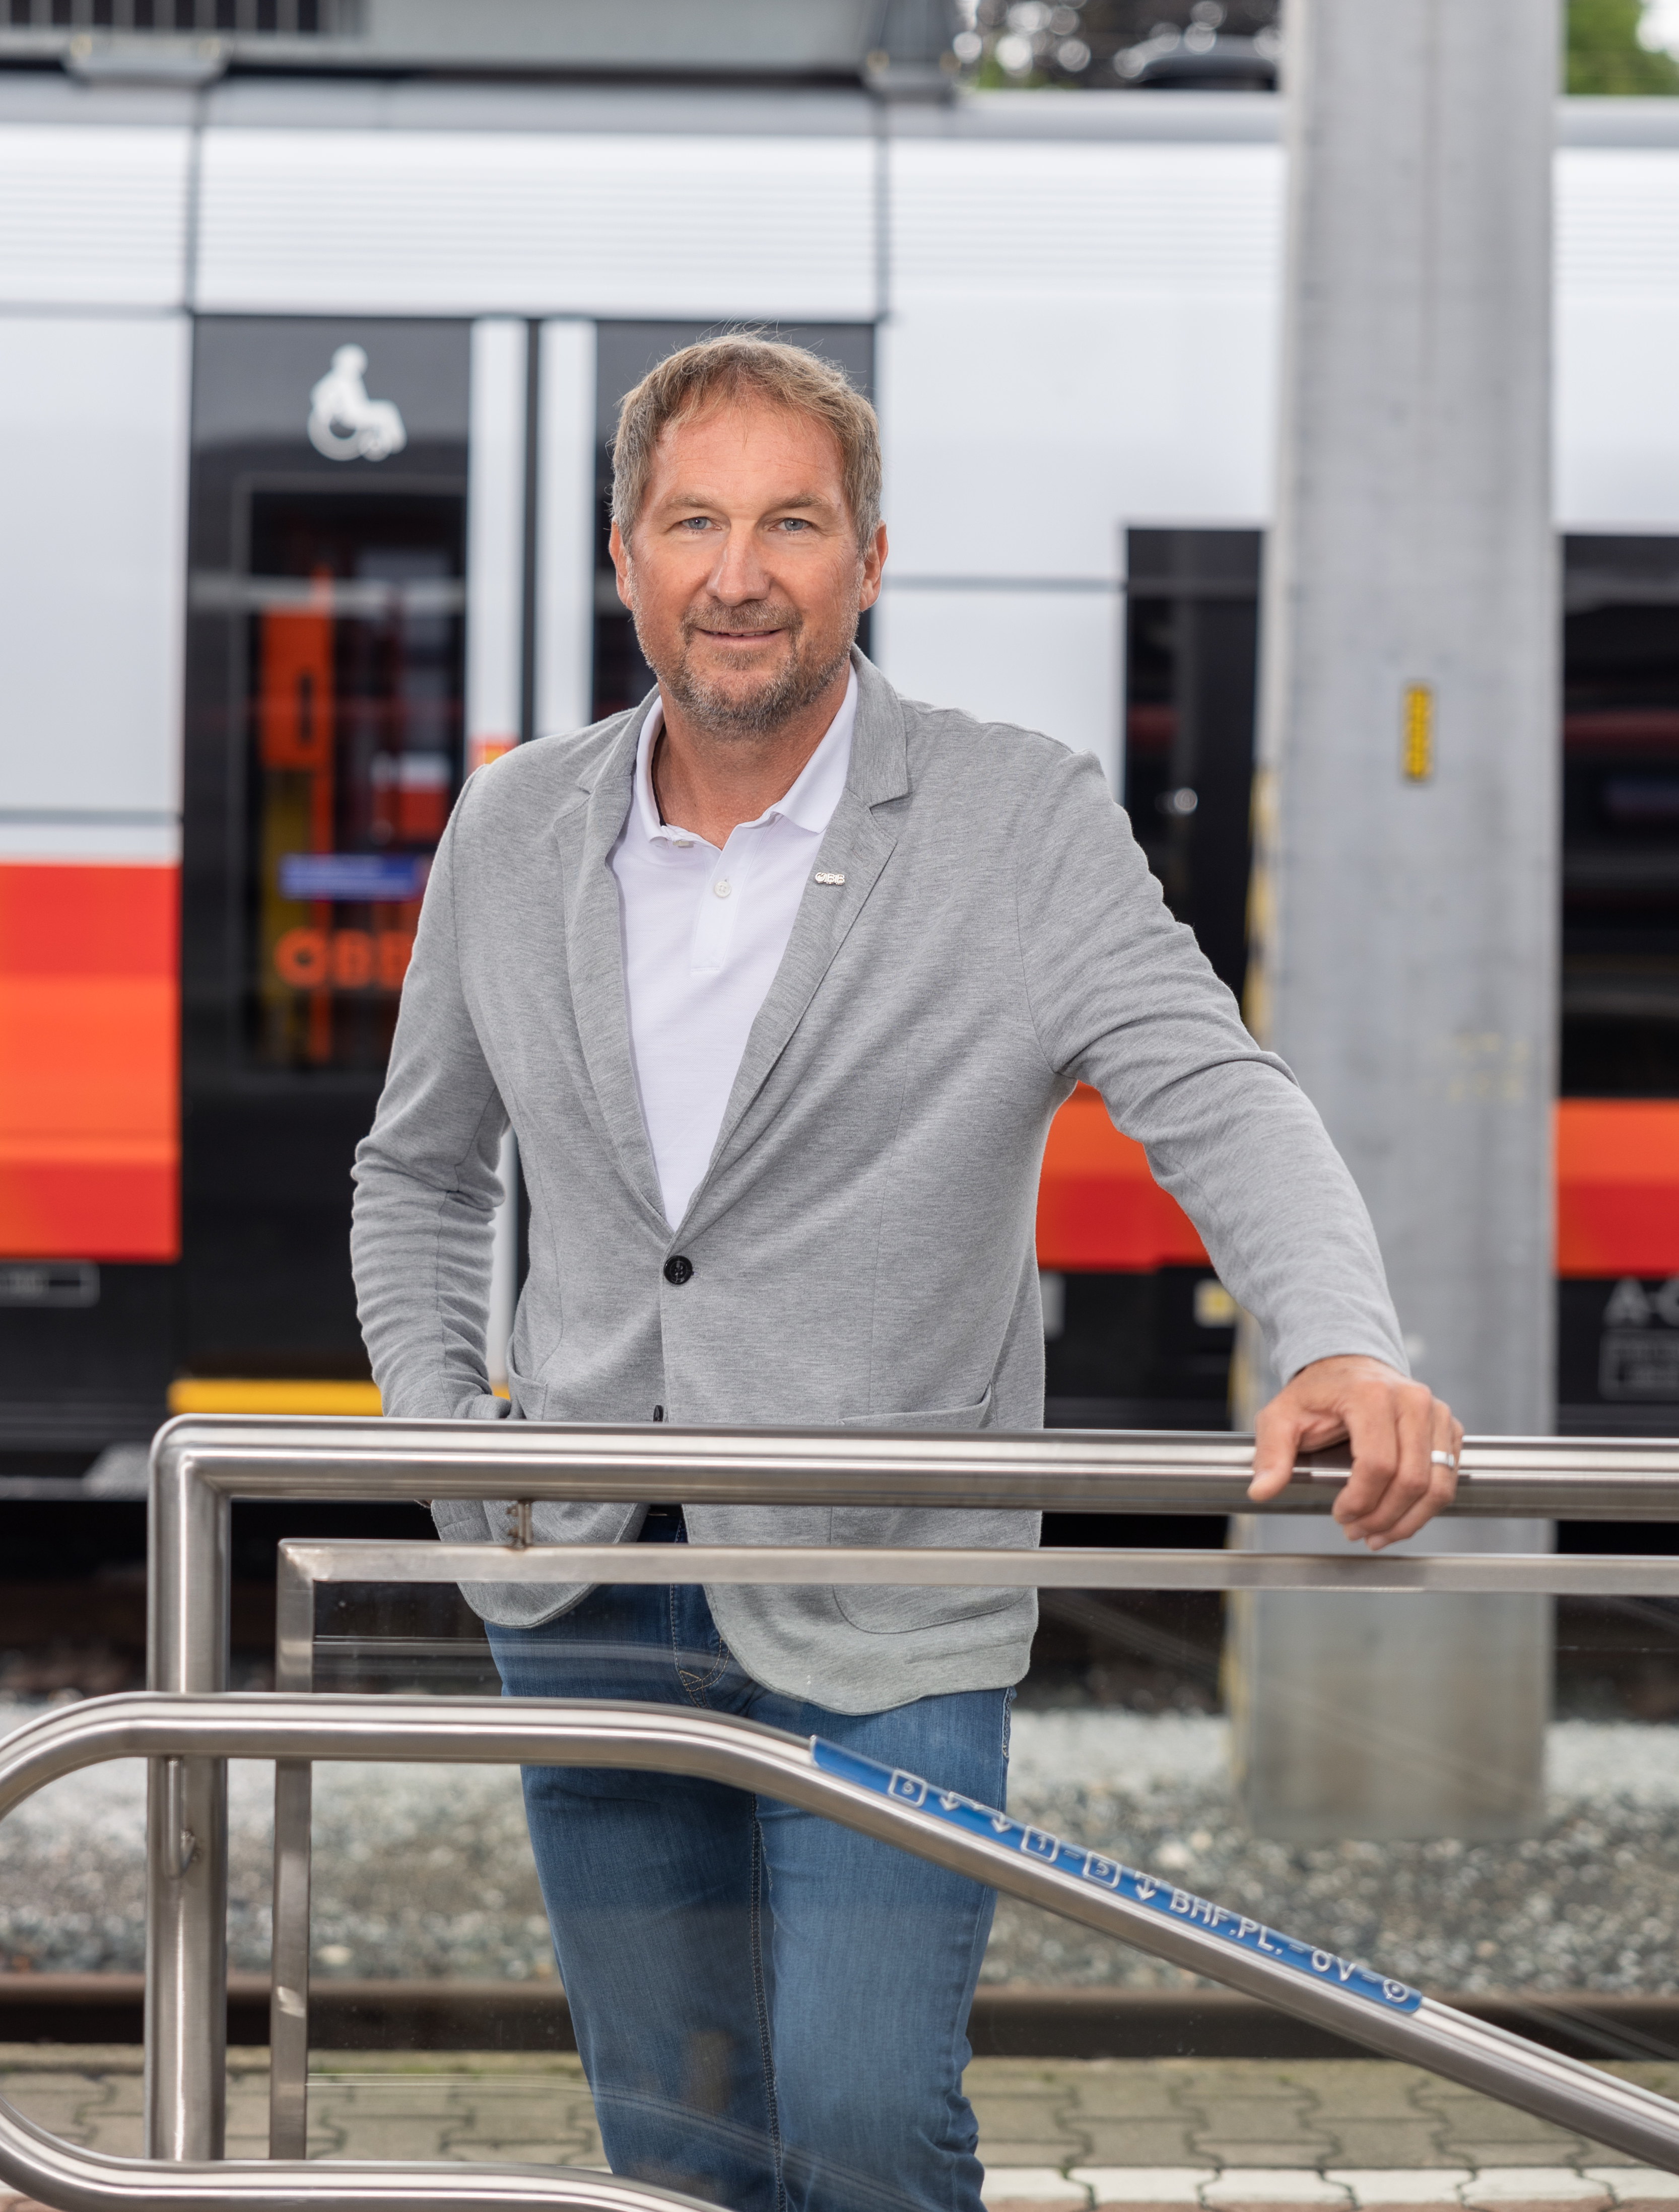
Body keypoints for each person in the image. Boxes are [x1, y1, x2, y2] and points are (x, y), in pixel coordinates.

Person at [352, 334, 1462, 2212]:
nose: (738, 569)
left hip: (887, 1592)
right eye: (693, 520)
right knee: (675, 2140)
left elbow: (1219, 1096)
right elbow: (419, 1175)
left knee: (865, 2123)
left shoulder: (1015, 817)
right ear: (624, 556)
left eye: (793, 520)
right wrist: (451, 1443)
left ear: (870, 561)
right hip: (590, 1589)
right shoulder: (513, 825)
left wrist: (1343, 1338)